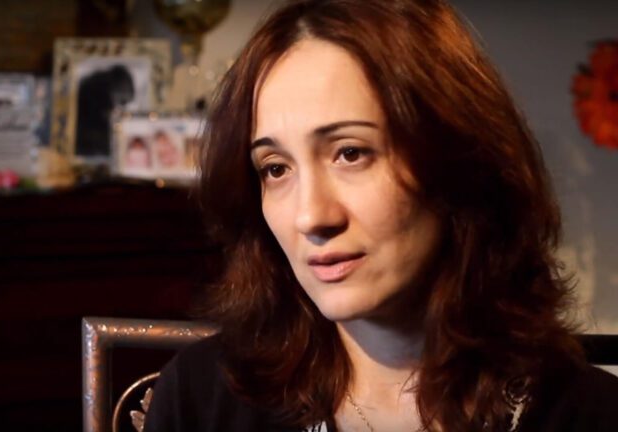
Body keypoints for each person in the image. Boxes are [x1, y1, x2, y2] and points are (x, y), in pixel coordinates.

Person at [143, 0, 618, 431]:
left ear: (458, 160)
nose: (311, 216)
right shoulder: (201, 399)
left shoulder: (591, 413)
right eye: (275, 168)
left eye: (351, 153)